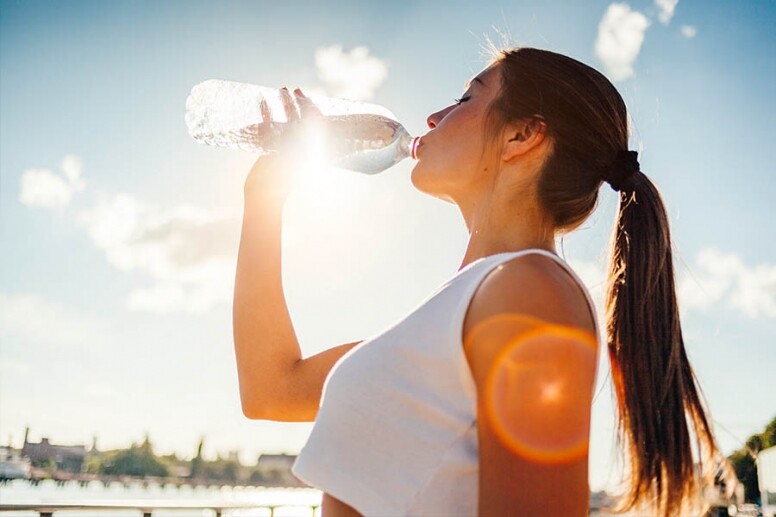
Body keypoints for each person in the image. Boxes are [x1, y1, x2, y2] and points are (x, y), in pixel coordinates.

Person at [232, 47, 722, 516]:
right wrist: (263, 200)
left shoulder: (530, 292)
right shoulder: (468, 303)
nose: (432, 117)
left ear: (521, 136)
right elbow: (272, 389)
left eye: (466, 99)